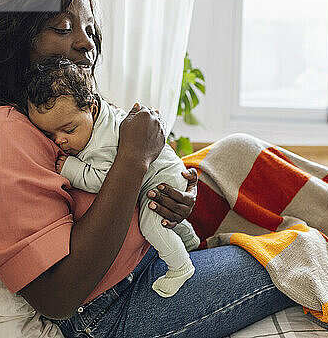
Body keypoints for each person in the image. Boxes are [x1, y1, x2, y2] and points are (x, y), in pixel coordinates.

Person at [0, 0, 295, 337]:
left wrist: (168, 188)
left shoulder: (41, 104)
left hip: (143, 253)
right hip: (110, 308)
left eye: (90, 30)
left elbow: (109, 168)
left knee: (239, 155)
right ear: (11, 36)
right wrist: (134, 158)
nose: (86, 44)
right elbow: (58, 297)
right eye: (63, 28)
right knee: (298, 258)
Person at [25, 57, 199, 298]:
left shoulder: (102, 141)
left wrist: (72, 169)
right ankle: (190, 240)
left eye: (69, 129)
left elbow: (109, 181)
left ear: (92, 109)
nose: (59, 141)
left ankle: (180, 267)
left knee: (150, 225)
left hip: (161, 179)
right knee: (163, 220)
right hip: (167, 171)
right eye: (49, 134)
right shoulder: (98, 119)